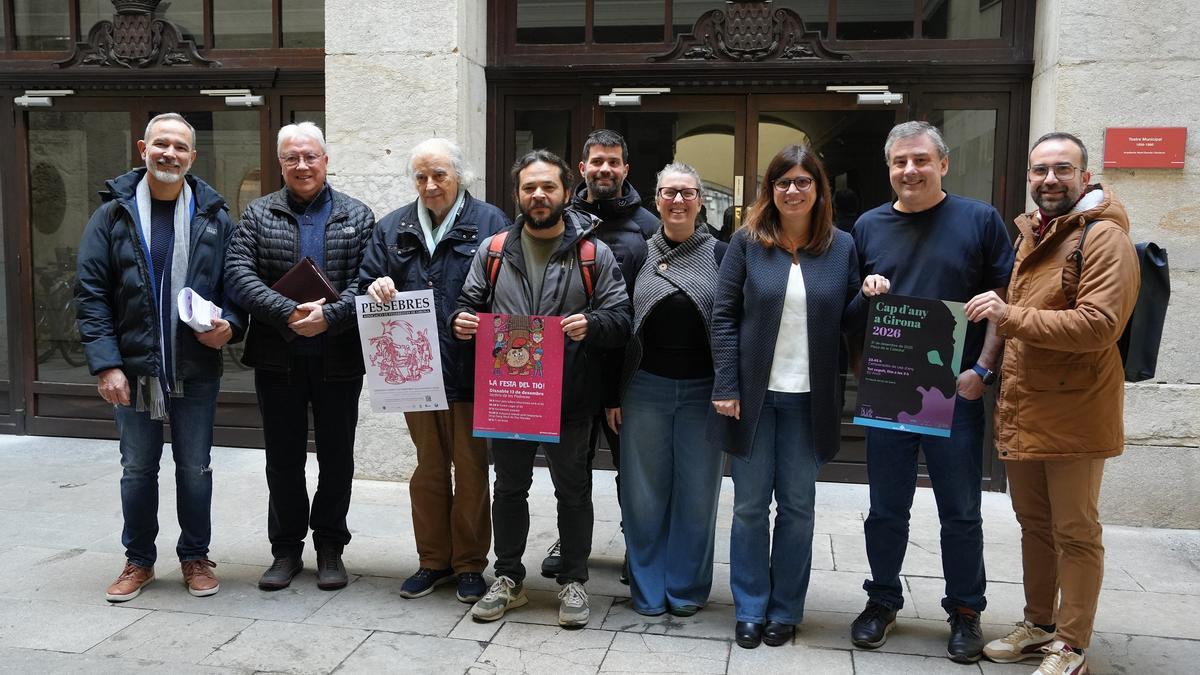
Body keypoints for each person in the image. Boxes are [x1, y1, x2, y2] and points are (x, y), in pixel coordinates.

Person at [967, 133, 1139, 675]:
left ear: (1085, 177)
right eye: (1040, 170)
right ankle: (1039, 624)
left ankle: (1072, 645)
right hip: (1025, 405)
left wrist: (1008, 315)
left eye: (1062, 169)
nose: (1049, 180)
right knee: (1036, 526)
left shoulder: (1104, 237)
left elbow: (1099, 325)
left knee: (1076, 532)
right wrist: (989, 368)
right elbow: (1018, 312)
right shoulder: (1034, 234)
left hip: (1076, 410)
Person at [849, 120, 1015, 663]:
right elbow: (852, 315)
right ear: (889, 168)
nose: (909, 170)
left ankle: (965, 611)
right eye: (899, 162)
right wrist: (865, 294)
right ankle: (882, 600)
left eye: (920, 160)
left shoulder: (979, 219)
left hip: (958, 391)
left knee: (961, 511)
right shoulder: (868, 227)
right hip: (893, 391)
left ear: (943, 164)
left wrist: (984, 372)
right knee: (885, 508)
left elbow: (1001, 302)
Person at [452, 149, 631, 628]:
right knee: (509, 489)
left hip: (570, 397)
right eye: (529, 187)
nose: (538, 195)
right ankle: (508, 578)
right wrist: (462, 321)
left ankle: (573, 581)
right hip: (509, 395)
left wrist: (590, 324)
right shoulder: (493, 252)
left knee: (573, 491)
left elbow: (621, 319)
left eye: (548, 187)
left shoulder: (594, 254)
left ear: (566, 192)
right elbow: (465, 306)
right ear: (517, 195)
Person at [76, 112, 245, 602]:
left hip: (194, 365)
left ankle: (195, 555)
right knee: (137, 468)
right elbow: (91, 292)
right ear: (142, 149)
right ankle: (139, 560)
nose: (170, 153)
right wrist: (106, 364)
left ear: (193, 157)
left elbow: (236, 285)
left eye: (180, 147)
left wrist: (231, 326)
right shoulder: (113, 214)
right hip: (134, 368)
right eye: (161, 144)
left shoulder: (214, 216)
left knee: (195, 467)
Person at [710, 145, 873, 649]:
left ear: (819, 189)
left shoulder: (841, 246)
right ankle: (751, 607)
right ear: (771, 190)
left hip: (810, 399)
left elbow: (848, 324)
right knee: (750, 508)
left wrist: (867, 296)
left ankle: (785, 610)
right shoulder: (746, 242)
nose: (794, 190)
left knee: (799, 507)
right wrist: (726, 385)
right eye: (784, 182)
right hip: (755, 399)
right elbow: (723, 316)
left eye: (804, 181)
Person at [225, 122, 375, 592]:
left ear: (326, 160)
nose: (302, 165)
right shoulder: (258, 214)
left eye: (310, 156)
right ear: (281, 163)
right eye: (292, 157)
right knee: (283, 460)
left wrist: (331, 315)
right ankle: (286, 550)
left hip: (339, 357)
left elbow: (370, 280)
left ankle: (331, 546)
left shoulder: (358, 215)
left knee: (337, 458)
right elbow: (238, 274)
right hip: (278, 357)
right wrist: (288, 311)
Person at [361, 138, 509, 604]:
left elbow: (510, 294)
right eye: (421, 176)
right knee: (427, 470)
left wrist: (482, 320)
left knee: (469, 471)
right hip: (415, 377)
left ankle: (468, 565)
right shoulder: (392, 227)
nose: (429, 185)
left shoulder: (491, 223)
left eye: (439, 175)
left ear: (459, 176)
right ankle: (432, 561)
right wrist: (375, 284)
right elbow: (366, 279)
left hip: (469, 372)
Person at [608, 162, 727, 617]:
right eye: (669, 193)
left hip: (704, 393)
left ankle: (686, 588)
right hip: (645, 391)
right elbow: (621, 328)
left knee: (698, 496)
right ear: (656, 200)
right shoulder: (638, 254)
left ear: (701, 201)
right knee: (643, 496)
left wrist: (731, 388)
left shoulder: (722, 254)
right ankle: (648, 587)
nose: (678, 201)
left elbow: (733, 326)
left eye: (687, 193)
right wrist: (612, 395)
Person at [539, 129, 655, 581]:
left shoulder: (649, 225)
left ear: (626, 169)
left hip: (628, 368)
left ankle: (636, 543)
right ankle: (572, 542)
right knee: (571, 465)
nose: (605, 169)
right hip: (571, 368)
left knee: (633, 468)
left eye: (614, 162)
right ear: (582, 168)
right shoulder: (556, 220)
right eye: (596, 161)